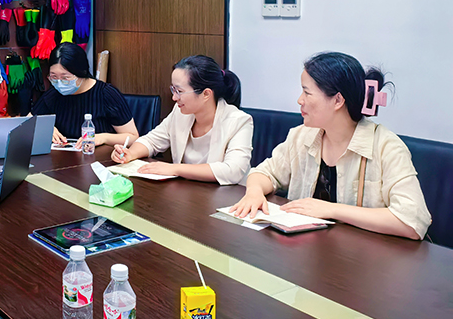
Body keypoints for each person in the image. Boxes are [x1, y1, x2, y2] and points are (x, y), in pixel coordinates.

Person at [230, 52, 432, 240]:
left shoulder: (386, 147)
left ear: (337, 100)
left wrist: (331, 210)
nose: (300, 100)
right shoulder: (301, 136)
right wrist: (254, 192)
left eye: (307, 92)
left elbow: (412, 221)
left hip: (362, 258)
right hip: (303, 252)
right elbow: (264, 173)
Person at [111, 55, 253, 184]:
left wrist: (175, 169)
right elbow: (152, 141)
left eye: (179, 91)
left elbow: (232, 171)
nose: (174, 98)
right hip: (189, 192)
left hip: (228, 197)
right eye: (173, 90)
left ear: (206, 94)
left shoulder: (239, 121)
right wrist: (130, 154)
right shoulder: (180, 112)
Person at [31, 43, 138, 147]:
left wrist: (103, 138)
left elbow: (132, 137)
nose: (59, 83)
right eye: (54, 77)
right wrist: (44, 128)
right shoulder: (54, 94)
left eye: (65, 78)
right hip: (62, 157)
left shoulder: (106, 94)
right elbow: (28, 122)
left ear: (81, 72)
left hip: (99, 156)